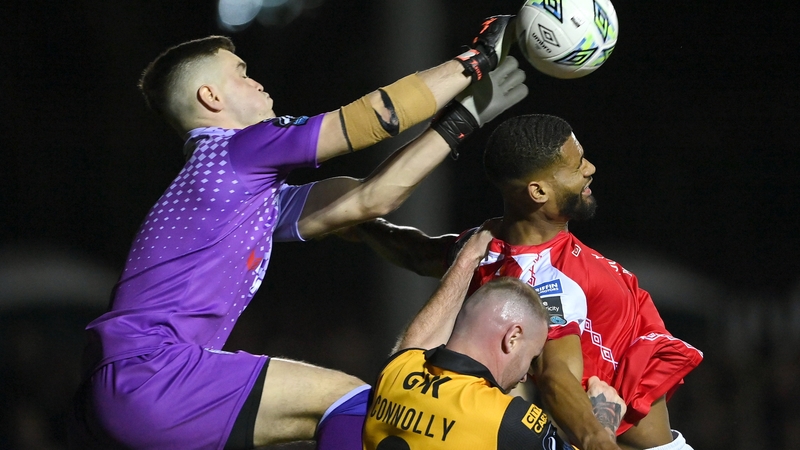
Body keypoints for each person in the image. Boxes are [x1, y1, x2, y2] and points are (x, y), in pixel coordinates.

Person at [70, 17, 529, 450]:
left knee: (343, 412)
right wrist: (476, 60)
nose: (257, 81)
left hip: (123, 388)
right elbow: (374, 116)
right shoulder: (238, 147)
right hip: (154, 373)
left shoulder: (238, 190)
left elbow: (370, 199)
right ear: (211, 97)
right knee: (356, 405)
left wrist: (464, 119)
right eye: (241, 74)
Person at [339, 114, 704, 450]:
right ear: (538, 193)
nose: (590, 169)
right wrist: (597, 439)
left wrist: (359, 224)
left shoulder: (490, 246)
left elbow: (420, 254)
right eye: (578, 167)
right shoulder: (546, 279)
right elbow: (554, 372)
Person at [363, 226, 627, 450]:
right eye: (533, 357)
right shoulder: (508, 420)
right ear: (512, 338)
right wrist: (605, 423)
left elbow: (418, 340)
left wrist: (469, 256)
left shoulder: (396, 373)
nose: (525, 376)